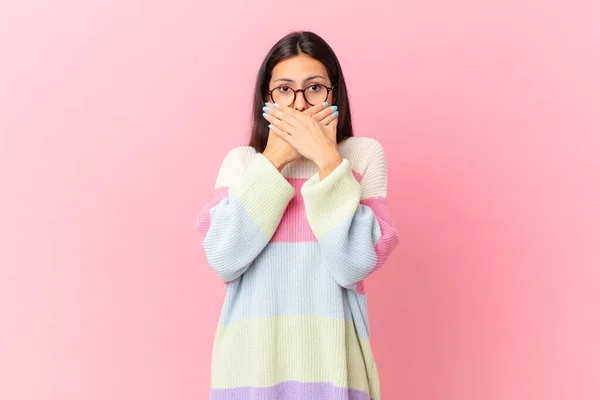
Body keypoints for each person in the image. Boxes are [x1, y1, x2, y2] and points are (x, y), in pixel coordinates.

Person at [196, 31, 399, 400]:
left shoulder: (362, 156)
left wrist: (327, 160)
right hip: (250, 371)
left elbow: (353, 264)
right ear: (267, 100)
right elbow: (224, 258)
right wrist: (274, 161)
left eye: (315, 88)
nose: (300, 104)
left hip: (335, 369)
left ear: (334, 94)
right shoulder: (242, 163)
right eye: (285, 90)